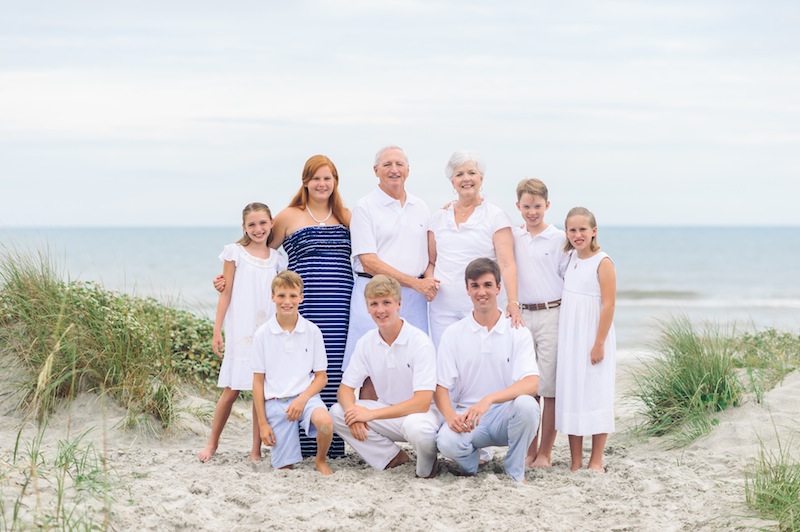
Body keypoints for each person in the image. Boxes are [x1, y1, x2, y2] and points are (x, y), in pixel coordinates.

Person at [215, 155, 353, 458]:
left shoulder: (346, 216)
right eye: (315, 178)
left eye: (327, 178)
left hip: (341, 302)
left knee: (332, 366)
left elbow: (373, 245)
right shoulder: (289, 216)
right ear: (305, 182)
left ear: (335, 182)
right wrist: (228, 278)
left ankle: (330, 444)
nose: (321, 184)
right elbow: (260, 252)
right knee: (299, 366)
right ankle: (296, 441)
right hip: (303, 303)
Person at [343, 146, 438, 395]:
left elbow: (429, 256)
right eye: (387, 165)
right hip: (374, 294)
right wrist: (416, 284)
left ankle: (408, 427)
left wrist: (427, 282)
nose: (394, 170)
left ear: (408, 170)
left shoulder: (421, 206)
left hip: (414, 300)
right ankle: (369, 427)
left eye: (399, 164)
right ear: (376, 171)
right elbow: (368, 261)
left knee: (412, 362)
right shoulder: (365, 207)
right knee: (371, 366)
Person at [435, 258, 539, 483]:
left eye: (487, 285)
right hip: (468, 417)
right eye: (475, 286)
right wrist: (451, 416)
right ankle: (472, 464)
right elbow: (440, 386)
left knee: (528, 406)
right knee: (446, 442)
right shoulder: (453, 333)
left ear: (498, 288)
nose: (482, 292)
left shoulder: (517, 330)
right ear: (467, 290)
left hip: (504, 415)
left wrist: (489, 400)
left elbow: (531, 383)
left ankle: (515, 472)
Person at [198, 202, 288, 463]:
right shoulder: (234, 253)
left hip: (267, 331)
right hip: (241, 330)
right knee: (232, 389)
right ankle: (212, 442)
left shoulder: (277, 259)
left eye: (263, 223)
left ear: (272, 223)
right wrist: (218, 330)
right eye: (252, 224)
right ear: (244, 227)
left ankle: (255, 450)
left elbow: (281, 297)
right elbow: (225, 293)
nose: (258, 229)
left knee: (260, 391)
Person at [330, 275, 441, 477]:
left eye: (386, 303)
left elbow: (423, 402)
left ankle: (428, 464)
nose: (380, 310)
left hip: (420, 416)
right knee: (338, 412)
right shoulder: (366, 342)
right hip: (388, 412)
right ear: (367, 307)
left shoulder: (419, 342)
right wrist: (353, 414)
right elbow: (345, 389)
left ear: (399, 304)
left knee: (417, 429)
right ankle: (393, 457)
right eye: (374, 304)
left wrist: (369, 415)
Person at [427, 150, 522, 349]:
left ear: (481, 178)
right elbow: (432, 261)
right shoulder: (437, 218)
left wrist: (513, 302)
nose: (466, 179)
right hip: (442, 309)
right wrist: (429, 281)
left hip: (482, 306)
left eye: (471, 172)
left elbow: (507, 264)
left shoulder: (496, 217)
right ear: (452, 181)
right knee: (446, 364)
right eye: (459, 174)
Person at [512, 178, 569, 469]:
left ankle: (545, 452)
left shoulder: (559, 239)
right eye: (526, 206)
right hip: (523, 315)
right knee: (528, 387)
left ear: (547, 205)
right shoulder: (514, 235)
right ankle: (529, 451)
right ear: (518, 206)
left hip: (551, 314)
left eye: (537, 206)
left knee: (550, 388)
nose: (531, 212)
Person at [252, 270, 333, 475]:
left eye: (293, 296)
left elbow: (321, 377)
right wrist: (262, 423)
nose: (287, 301)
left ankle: (320, 459)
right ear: (273, 297)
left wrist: (302, 399)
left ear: (301, 297)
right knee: (284, 468)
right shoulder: (262, 334)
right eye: (281, 296)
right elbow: (258, 382)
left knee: (325, 423)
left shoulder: (312, 331)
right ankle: (285, 455)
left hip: (306, 398)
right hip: (276, 402)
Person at [555, 207, 616, 473]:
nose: (578, 235)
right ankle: (576, 461)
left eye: (583, 229)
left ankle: (596, 461)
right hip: (571, 336)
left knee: (595, 393)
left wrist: (599, 342)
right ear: (566, 233)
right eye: (572, 230)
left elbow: (609, 304)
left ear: (594, 231)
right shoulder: (568, 259)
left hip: (593, 335)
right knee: (572, 395)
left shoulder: (603, 261)